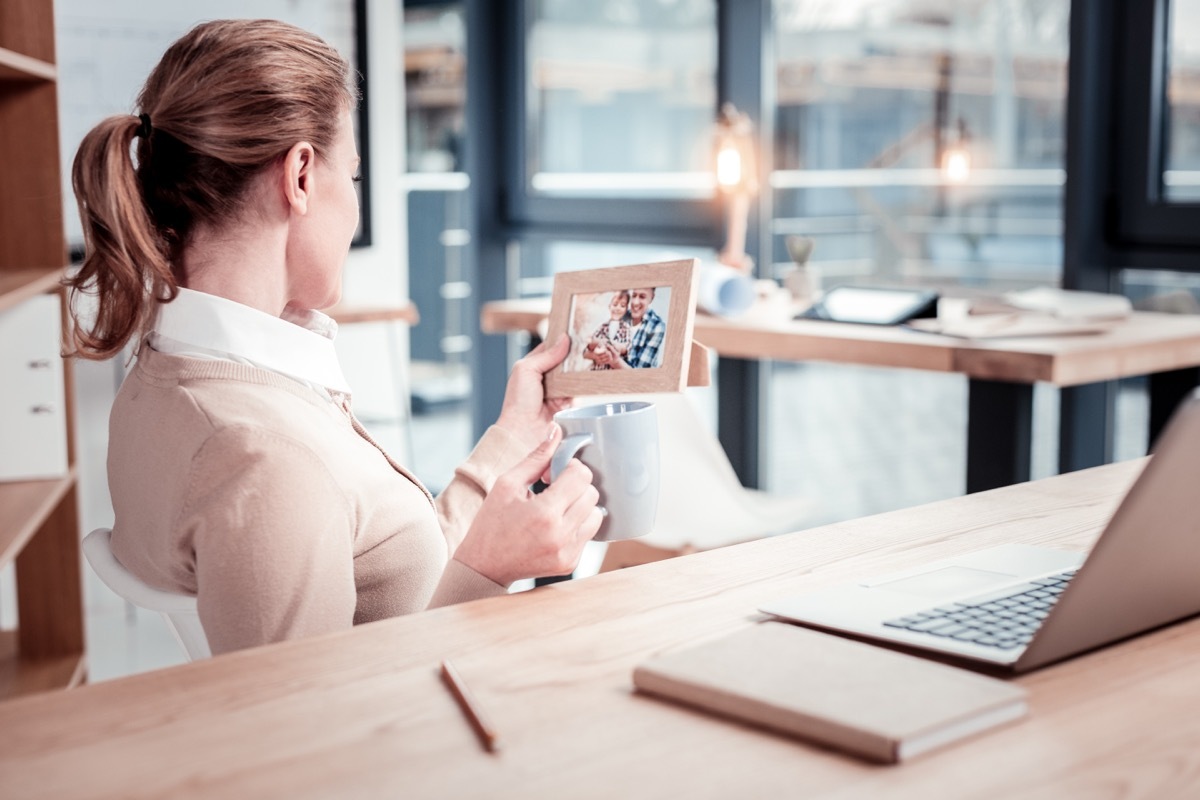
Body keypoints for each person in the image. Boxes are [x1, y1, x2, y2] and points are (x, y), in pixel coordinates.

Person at [66, 19, 602, 656]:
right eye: (351, 177)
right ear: (299, 175)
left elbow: (389, 577)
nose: (353, 207)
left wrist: (510, 439)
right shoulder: (264, 456)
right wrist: (491, 573)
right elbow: (316, 735)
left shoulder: (167, 372)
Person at [591, 287, 665, 369]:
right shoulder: (621, 314)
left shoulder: (656, 326)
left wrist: (612, 359)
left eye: (642, 297)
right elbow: (587, 352)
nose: (635, 302)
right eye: (634, 295)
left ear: (652, 298)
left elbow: (639, 374)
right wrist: (598, 352)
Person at [582, 290, 631, 370]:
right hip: (598, 369)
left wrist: (614, 345)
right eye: (615, 305)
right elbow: (589, 347)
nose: (618, 308)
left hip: (613, 371)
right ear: (609, 306)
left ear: (626, 309)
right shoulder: (602, 327)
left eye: (622, 306)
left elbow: (626, 347)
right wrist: (596, 343)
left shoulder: (626, 328)